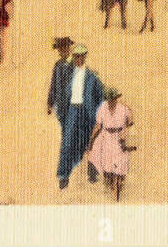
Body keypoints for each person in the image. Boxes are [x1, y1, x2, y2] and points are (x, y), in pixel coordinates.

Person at [56, 44, 104, 189]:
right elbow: (60, 92)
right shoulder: (67, 74)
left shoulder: (92, 76)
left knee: (91, 142)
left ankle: (93, 171)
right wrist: (62, 111)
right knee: (67, 143)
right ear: (74, 57)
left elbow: (100, 96)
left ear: (85, 57)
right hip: (72, 111)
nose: (78, 59)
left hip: (87, 112)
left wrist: (96, 113)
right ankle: (63, 175)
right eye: (76, 56)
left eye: (81, 56)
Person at [88, 87, 134, 201]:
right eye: (110, 99)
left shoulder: (123, 109)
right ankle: (110, 185)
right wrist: (91, 140)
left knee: (121, 165)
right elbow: (98, 126)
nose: (112, 101)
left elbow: (131, 120)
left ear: (116, 99)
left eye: (113, 99)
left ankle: (118, 187)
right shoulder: (102, 109)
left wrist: (126, 129)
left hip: (119, 137)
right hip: (107, 137)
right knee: (107, 165)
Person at [46, 37, 74, 126]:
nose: (63, 51)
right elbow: (53, 84)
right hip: (61, 104)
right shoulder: (57, 65)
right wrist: (50, 103)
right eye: (61, 49)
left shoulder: (75, 64)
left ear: (69, 49)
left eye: (66, 48)